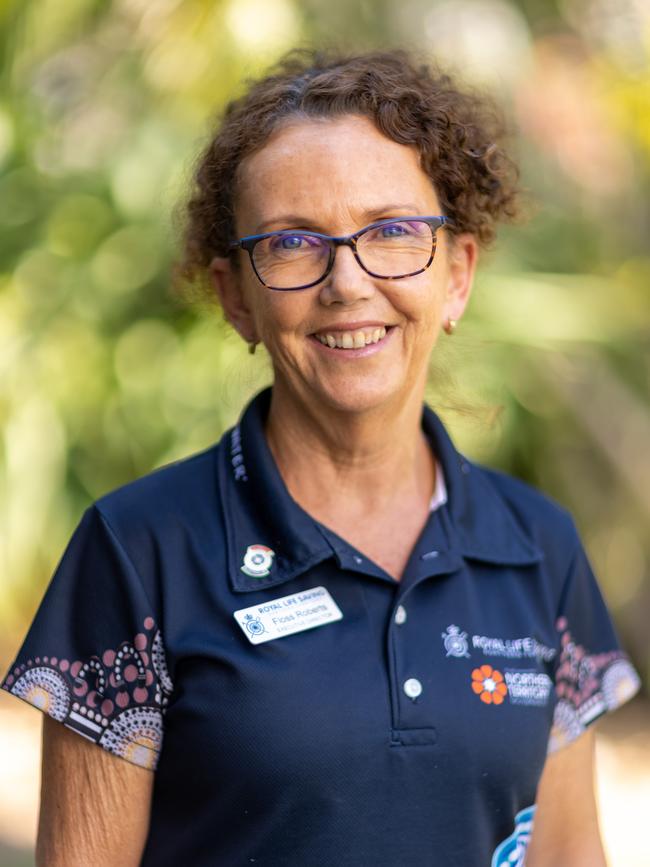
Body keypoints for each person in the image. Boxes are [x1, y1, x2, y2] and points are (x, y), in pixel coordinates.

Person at [1, 49, 641, 867]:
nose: (348, 282)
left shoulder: (539, 547)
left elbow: (566, 857)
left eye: (394, 231)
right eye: (295, 242)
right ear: (237, 297)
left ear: (457, 276)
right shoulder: (136, 552)